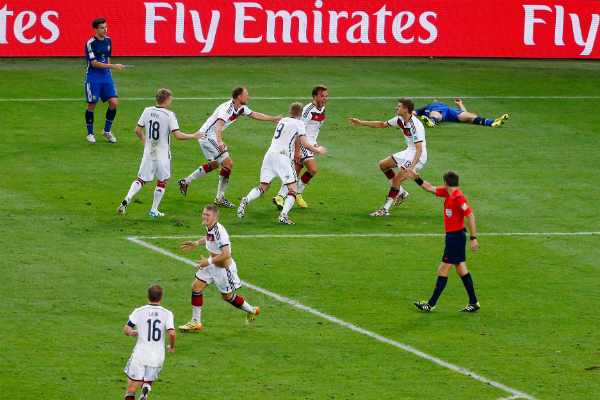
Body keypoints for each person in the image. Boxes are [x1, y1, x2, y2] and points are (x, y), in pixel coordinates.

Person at [178, 86, 282, 208]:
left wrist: (272, 119)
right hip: (208, 136)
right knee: (228, 164)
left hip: (206, 136)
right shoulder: (227, 108)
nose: (248, 97)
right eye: (246, 95)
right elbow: (219, 125)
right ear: (239, 97)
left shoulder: (241, 107)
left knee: (215, 164)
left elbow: (254, 114)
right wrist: (219, 142)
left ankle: (186, 181)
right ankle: (220, 198)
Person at [117, 89, 204, 217]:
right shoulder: (169, 115)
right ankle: (153, 210)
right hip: (162, 154)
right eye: (170, 99)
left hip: (149, 152)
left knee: (141, 179)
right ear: (166, 100)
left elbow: (137, 130)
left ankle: (128, 197)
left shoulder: (147, 111)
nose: (171, 101)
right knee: (162, 181)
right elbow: (177, 135)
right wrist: (194, 135)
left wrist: (144, 140)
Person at [237, 102, 327, 225]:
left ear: (290, 112)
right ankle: (283, 216)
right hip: (283, 157)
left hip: (269, 155)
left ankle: (246, 199)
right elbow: (305, 144)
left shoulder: (282, 120)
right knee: (293, 189)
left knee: (263, 187)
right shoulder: (299, 123)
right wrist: (318, 150)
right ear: (301, 114)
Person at [404, 168, 481, 312]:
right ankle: (473, 302)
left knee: (443, 269)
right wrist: (416, 178)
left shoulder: (458, 198)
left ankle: (431, 304)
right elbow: (430, 188)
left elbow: (471, 216)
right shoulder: (448, 193)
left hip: (456, 238)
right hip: (454, 237)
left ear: (445, 182)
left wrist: (473, 238)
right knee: (461, 269)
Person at [178, 204, 260, 331]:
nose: (204, 217)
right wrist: (195, 243)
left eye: (207, 215)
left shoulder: (219, 231)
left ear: (215, 217)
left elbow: (226, 254)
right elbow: (209, 238)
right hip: (212, 265)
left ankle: (252, 310)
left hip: (224, 270)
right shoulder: (210, 227)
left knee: (227, 297)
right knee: (195, 287)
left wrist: (209, 261)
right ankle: (195, 322)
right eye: (204, 214)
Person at [348, 97, 427, 216]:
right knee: (383, 164)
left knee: (398, 178)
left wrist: (411, 168)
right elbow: (383, 124)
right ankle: (401, 192)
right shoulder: (400, 119)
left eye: (399, 106)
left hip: (418, 156)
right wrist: (361, 122)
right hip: (409, 152)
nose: (396, 108)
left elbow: (419, 149)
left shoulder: (415, 126)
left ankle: (385, 209)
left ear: (405, 109)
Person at [273, 85, 328, 209]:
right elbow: (298, 129)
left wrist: (315, 143)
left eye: (326, 96)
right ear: (315, 97)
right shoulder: (308, 111)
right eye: (322, 96)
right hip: (302, 143)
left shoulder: (322, 110)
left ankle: (280, 196)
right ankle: (297, 193)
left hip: (309, 143)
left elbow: (315, 129)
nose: (324, 98)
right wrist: (297, 151)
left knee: (296, 171)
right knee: (312, 169)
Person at [123, 284, 176, 400]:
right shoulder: (167, 314)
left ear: (147, 296)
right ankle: (146, 387)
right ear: (161, 298)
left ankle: (142, 389)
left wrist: (132, 333)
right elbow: (172, 333)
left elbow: (126, 330)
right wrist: (171, 347)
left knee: (131, 389)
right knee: (148, 378)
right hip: (157, 356)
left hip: (140, 354)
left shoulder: (139, 311)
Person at [84, 18, 125, 143]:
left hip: (106, 77)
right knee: (92, 105)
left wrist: (110, 75)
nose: (105, 30)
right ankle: (90, 133)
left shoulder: (108, 41)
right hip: (93, 77)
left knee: (114, 103)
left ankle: (107, 131)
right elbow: (94, 63)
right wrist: (113, 66)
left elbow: (107, 58)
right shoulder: (90, 43)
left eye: (106, 27)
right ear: (95, 29)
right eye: (102, 28)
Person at [414, 99, 508, 128]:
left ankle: (493, 122)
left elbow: (464, 112)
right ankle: (432, 122)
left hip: (450, 111)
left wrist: (460, 104)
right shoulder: (427, 107)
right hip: (438, 112)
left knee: (470, 116)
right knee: (435, 114)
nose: (435, 100)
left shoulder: (444, 105)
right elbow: (413, 112)